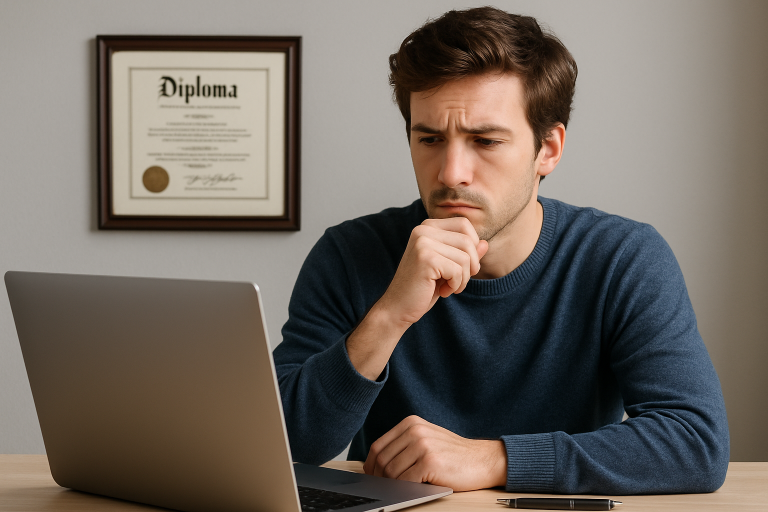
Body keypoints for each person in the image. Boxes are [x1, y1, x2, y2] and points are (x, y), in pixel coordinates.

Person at [273, 6, 729, 495]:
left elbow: (696, 442)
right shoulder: (348, 254)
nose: (451, 173)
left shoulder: (621, 258)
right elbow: (283, 444)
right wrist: (388, 317)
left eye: (485, 141)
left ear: (548, 149)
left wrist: (495, 459)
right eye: (430, 138)